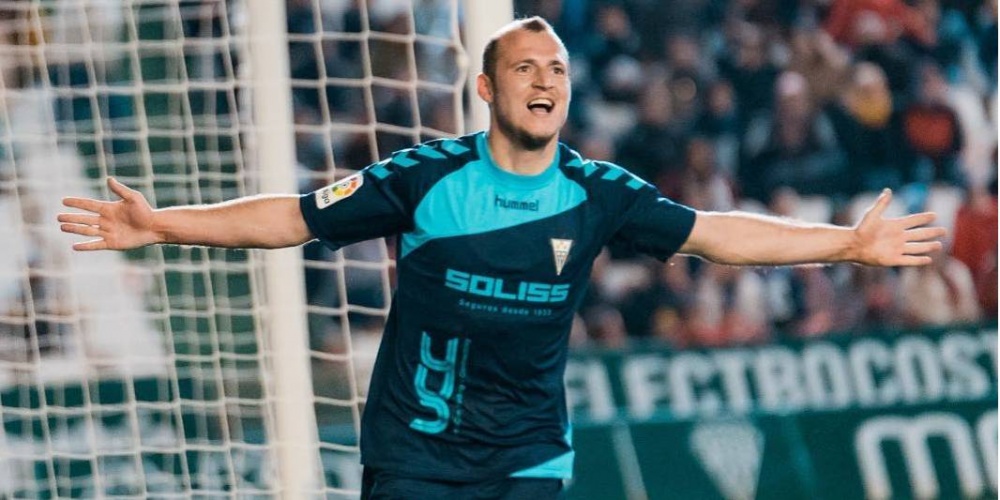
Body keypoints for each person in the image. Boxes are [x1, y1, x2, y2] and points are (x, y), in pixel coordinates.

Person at [57, 17, 946, 500]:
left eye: (557, 69)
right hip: (413, 456)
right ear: (487, 87)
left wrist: (847, 244)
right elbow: (291, 219)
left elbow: (717, 232)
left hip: (526, 455)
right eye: (526, 69)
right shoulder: (425, 179)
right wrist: (162, 225)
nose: (546, 81)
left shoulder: (598, 191)